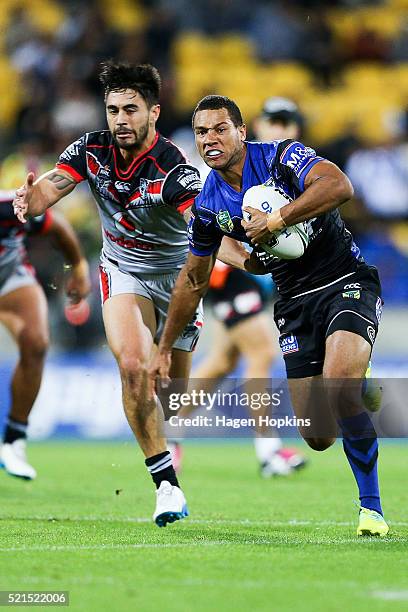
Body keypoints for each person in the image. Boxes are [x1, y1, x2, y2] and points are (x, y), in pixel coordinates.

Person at [150, 95, 389, 537]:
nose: (211, 139)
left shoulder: (280, 156)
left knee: (340, 389)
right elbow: (193, 280)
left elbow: (339, 187)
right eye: (202, 132)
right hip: (294, 303)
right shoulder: (207, 205)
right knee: (318, 436)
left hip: (344, 280)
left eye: (220, 128)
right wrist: (164, 346)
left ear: (242, 131)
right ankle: (356, 379)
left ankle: (371, 509)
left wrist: (279, 217)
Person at [12, 61, 206, 527]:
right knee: (134, 367)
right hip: (123, 271)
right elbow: (48, 192)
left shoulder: (173, 168)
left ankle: (169, 432)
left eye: (130, 109)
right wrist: (30, 200)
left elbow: (200, 226)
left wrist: (244, 254)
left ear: (153, 113)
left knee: (173, 394)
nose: (120, 119)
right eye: (112, 109)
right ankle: (166, 487)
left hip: (177, 278)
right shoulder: (91, 150)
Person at [0, 190, 90, 479]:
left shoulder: (8, 208)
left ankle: (14, 441)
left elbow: (57, 225)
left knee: (36, 343)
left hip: (10, 279)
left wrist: (78, 267)